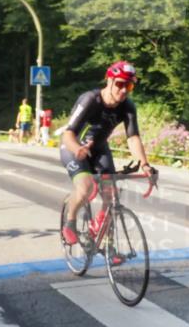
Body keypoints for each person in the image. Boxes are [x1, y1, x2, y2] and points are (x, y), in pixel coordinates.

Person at [60, 61, 155, 245]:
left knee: (111, 194)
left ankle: (104, 238)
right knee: (85, 187)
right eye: (120, 84)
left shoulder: (127, 106)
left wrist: (145, 165)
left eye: (129, 86)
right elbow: (68, 133)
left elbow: (133, 137)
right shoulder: (90, 99)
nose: (124, 90)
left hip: (99, 148)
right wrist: (77, 149)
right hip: (74, 146)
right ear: (109, 81)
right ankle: (70, 222)